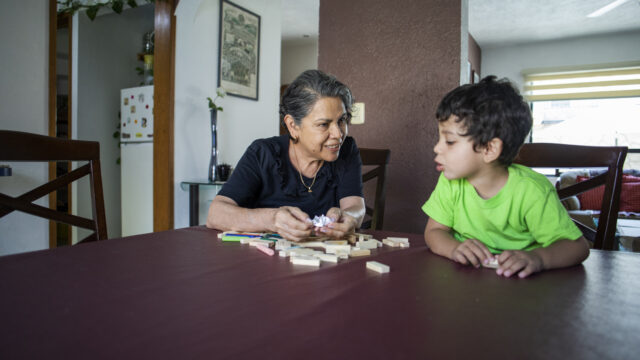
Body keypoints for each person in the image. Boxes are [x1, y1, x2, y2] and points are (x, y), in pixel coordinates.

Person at [422, 76, 590, 278]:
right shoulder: (450, 181)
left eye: (449, 141)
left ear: (489, 148)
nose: (437, 148)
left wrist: (539, 258)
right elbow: (433, 232)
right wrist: (454, 249)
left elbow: (577, 247)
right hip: (465, 280)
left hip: (520, 285)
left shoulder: (531, 190)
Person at [206, 70, 365, 241]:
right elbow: (216, 214)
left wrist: (349, 217)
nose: (338, 134)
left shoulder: (347, 149)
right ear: (292, 126)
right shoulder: (262, 153)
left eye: (342, 120)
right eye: (324, 124)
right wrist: (272, 219)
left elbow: (355, 206)